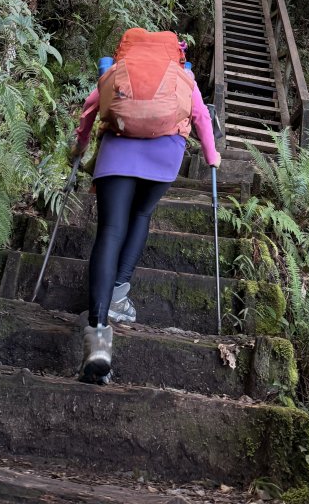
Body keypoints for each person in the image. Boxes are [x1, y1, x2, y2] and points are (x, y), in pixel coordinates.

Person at [72, 29, 220, 383]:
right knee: (141, 215)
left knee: (110, 230)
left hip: (117, 152)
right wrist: (212, 157)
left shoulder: (118, 72)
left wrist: (79, 149)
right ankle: (120, 295)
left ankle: (98, 336)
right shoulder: (182, 76)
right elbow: (201, 116)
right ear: (175, 52)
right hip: (164, 157)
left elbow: (90, 109)